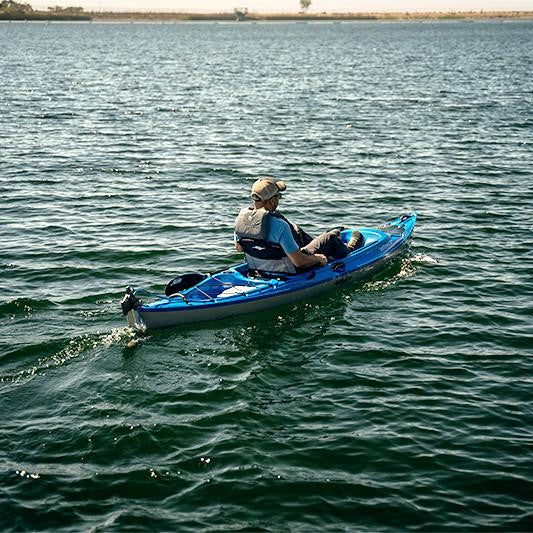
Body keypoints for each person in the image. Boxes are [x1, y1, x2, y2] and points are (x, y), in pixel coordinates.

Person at [234, 177, 363, 275]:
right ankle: (349, 250)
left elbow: (239, 248)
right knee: (329, 239)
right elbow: (299, 262)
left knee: (297, 231)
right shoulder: (279, 225)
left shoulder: (240, 221)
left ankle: (330, 240)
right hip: (291, 270)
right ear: (272, 200)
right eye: (278, 196)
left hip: (259, 270)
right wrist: (318, 259)